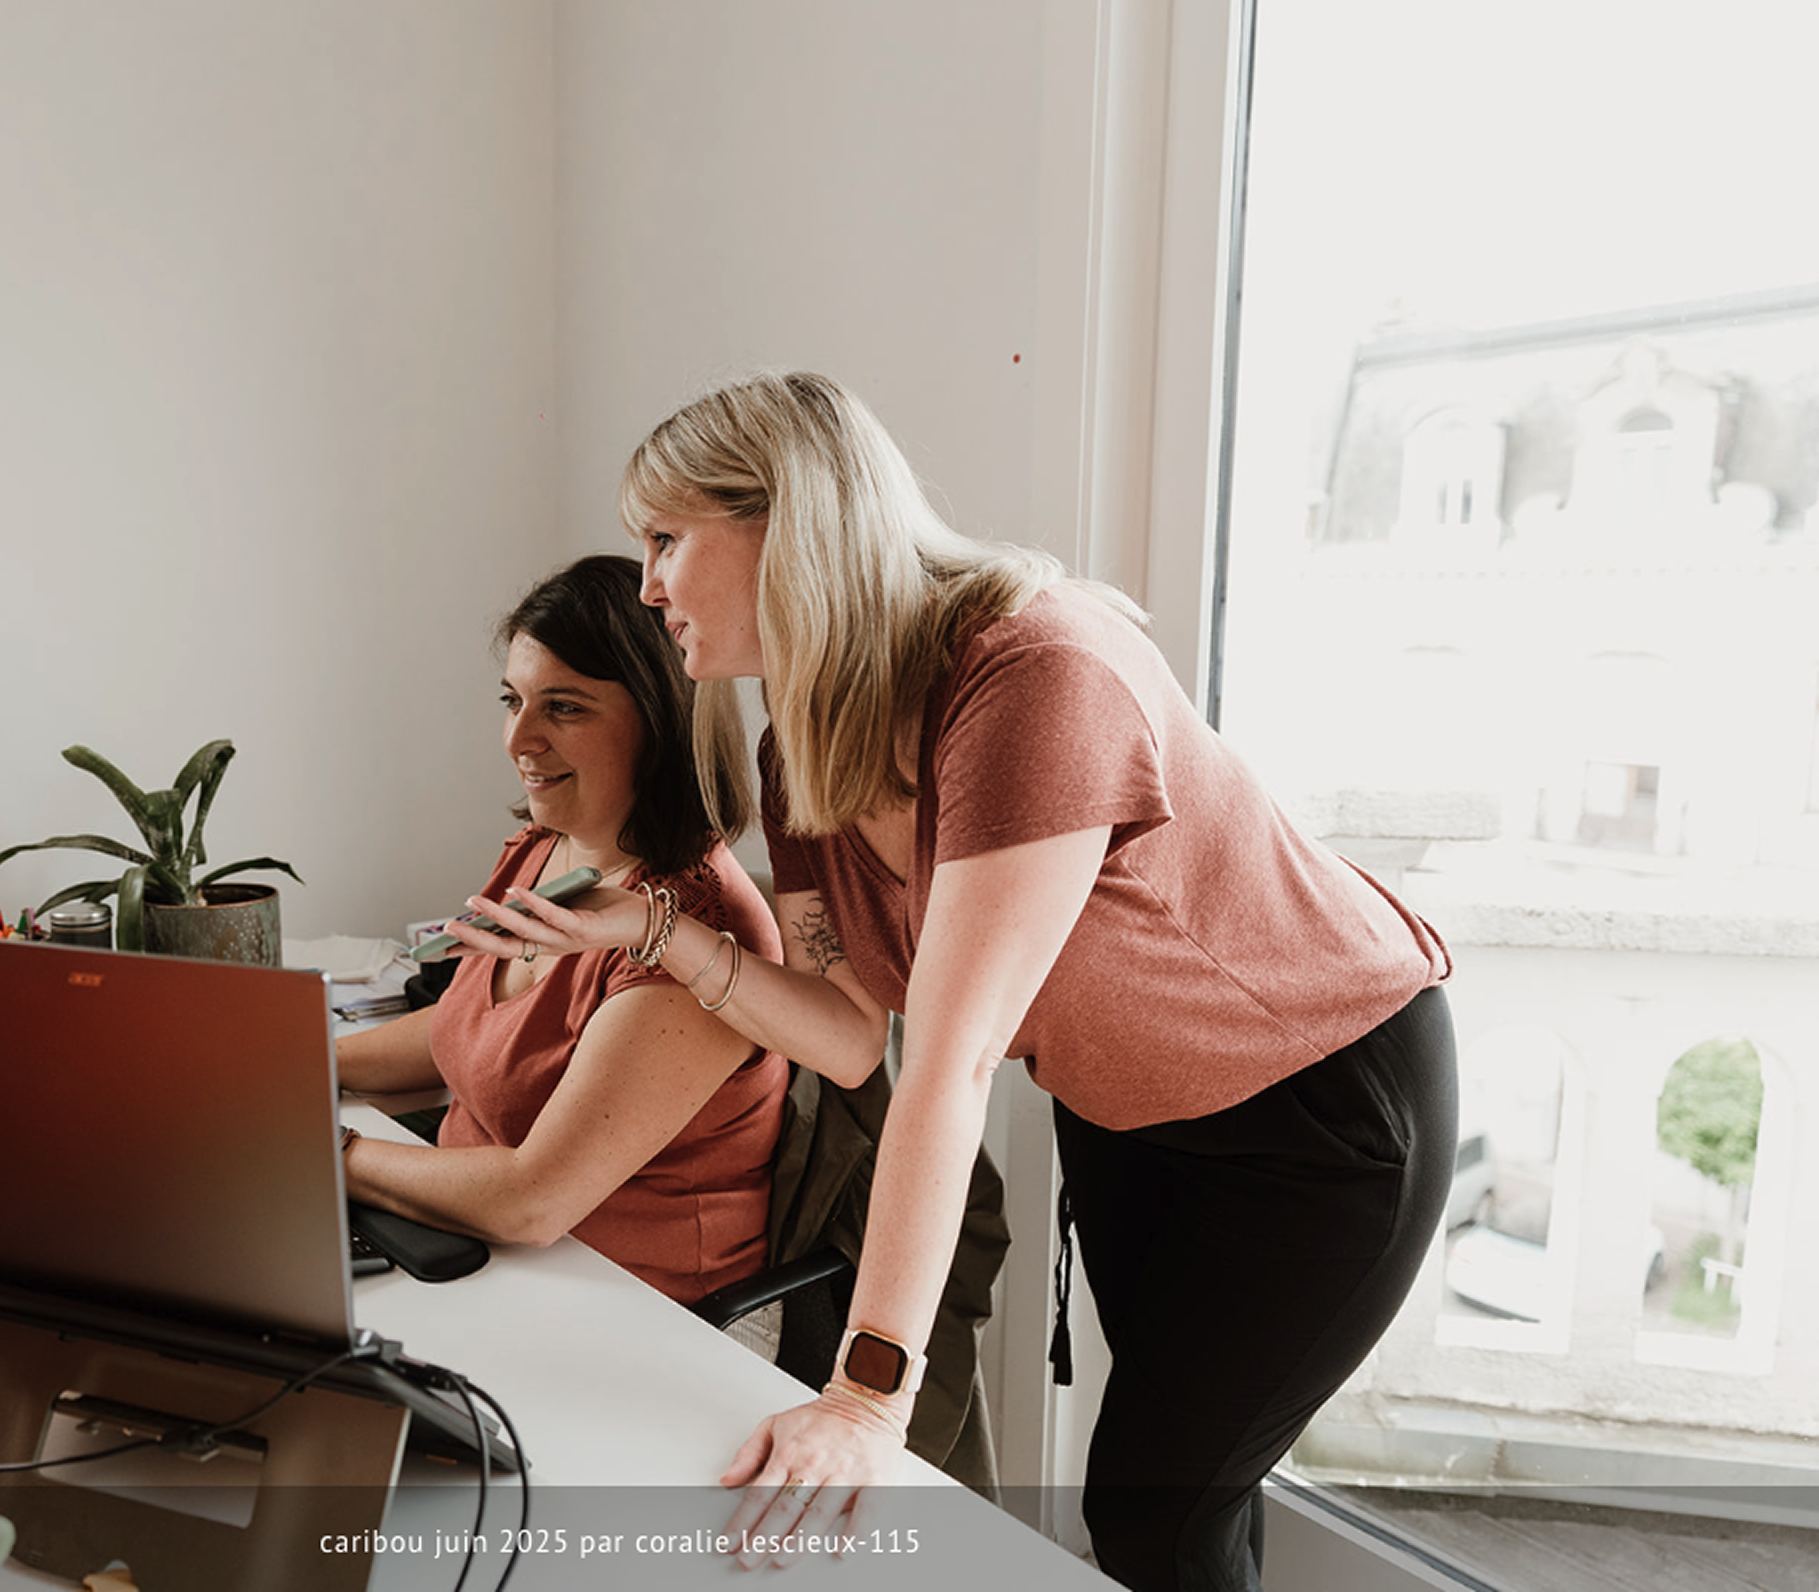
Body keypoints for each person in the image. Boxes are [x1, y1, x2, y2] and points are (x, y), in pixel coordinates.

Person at [444, 373, 1459, 1592]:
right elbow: (843, 1031)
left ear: (791, 523)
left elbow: (954, 1055)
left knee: (1155, 1510)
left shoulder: (1031, 678)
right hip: (1129, 1108)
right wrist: (659, 934)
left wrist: (864, 1398)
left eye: (666, 539)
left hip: (1318, 1102)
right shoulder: (800, 744)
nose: (648, 583)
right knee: (1182, 1498)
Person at [335, 553, 788, 1307]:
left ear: (659, 716)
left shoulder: (697, 936)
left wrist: (329, 1153)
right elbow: (470, 1032)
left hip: (625, 1312)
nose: (520, 740)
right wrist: (295, 1063)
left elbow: (532, 1201)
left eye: (566, 708)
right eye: (513, 700)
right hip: (471, 1257)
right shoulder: (546, 851)